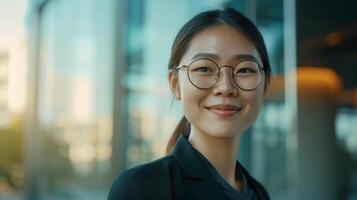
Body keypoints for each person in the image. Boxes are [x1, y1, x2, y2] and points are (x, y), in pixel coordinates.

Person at [108, 7, 271, 200]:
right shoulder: (141, 188)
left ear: (265, 85)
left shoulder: (258, 193)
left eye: (244, 70)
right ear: (175, 84)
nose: (226, 87)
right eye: (204, 68)